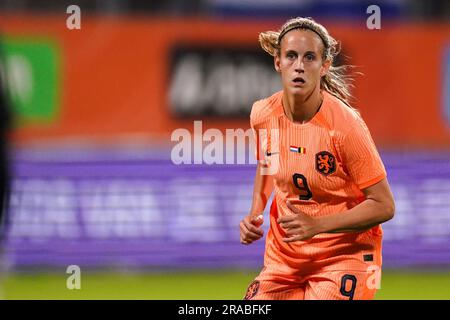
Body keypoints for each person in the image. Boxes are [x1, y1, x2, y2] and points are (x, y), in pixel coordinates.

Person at [239, 17, 395, 300]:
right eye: (291, 56)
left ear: (324, 67)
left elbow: (384, 205)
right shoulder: (262, 114)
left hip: (346, 256)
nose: (299, 65)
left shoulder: (346, 126)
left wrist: (317, 225)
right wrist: (255, 211)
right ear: (278, 62)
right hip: (284, 258)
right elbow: (267, 163)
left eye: (309, 57)